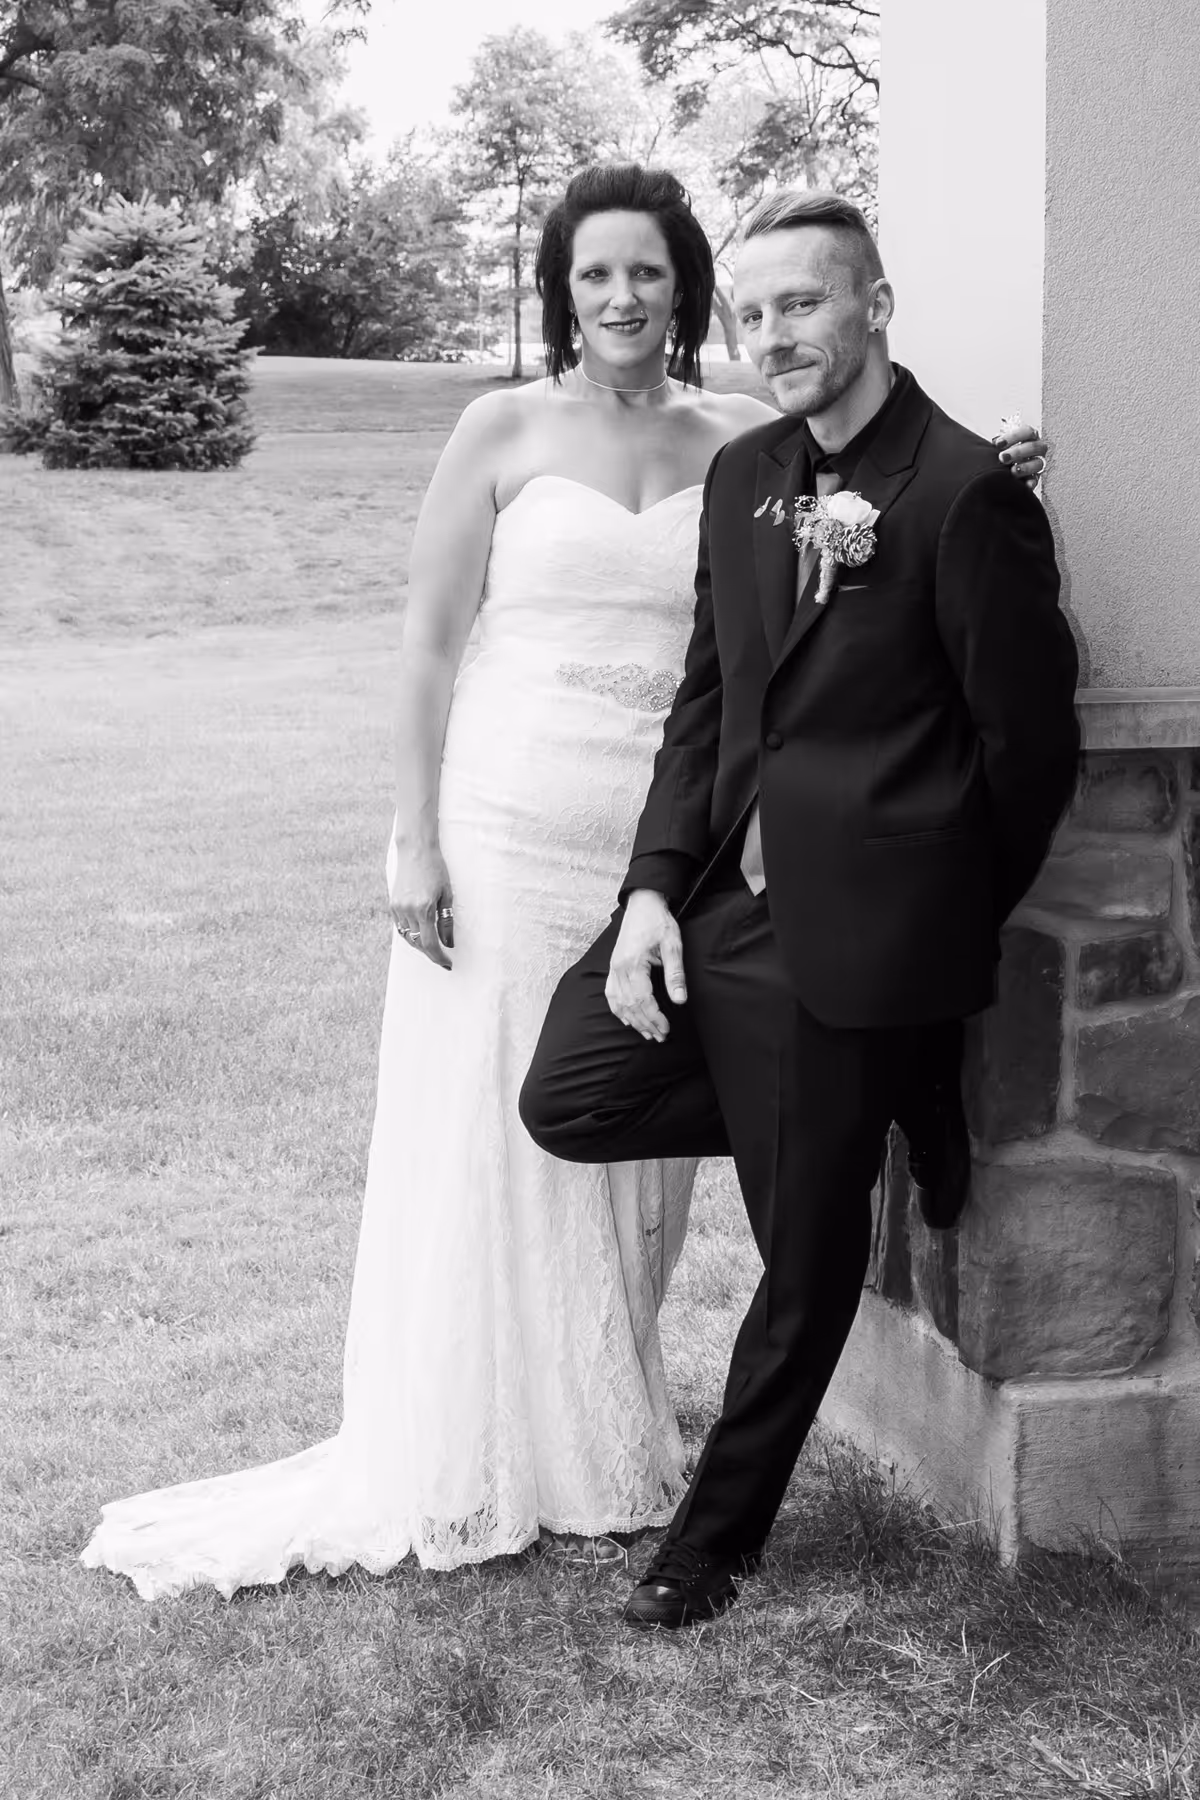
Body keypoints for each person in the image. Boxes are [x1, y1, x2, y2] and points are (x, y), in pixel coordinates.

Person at [81, 168, 1047, 1600]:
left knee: (690, 1159)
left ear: (684, 287)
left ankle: (647, 1438)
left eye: (649, 273)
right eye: (593, 275)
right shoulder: (519, 430)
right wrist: (414, 836)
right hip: (533, 823)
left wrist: (986, 466)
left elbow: (878, 467)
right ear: (560, 289)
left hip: (684, 848)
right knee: (521, 1112)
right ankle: (485, 1422)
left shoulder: (750, 436)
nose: (621, 298)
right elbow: (434, 646)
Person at [519, 188, 1080, 1630]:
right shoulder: (749, 474)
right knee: (568, 1093)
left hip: (870, 931)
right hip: (727, 911)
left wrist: (934, 928)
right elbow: (711, 703)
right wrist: (651, 889)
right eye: (755, 311)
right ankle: (889, 1087)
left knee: (806, 1257)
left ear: (876, 306)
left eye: (806, 304)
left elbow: (1031, 753)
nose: (775, 334)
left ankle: (711, 1547)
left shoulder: (967, 494)